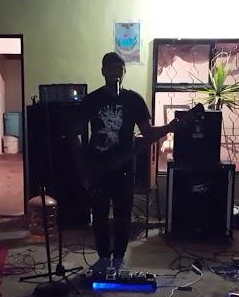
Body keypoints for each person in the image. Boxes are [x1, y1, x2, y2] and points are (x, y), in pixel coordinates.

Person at [70, 52, 183, 272]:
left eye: (119, 69)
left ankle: (119, 257)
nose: (115, 73)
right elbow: (75, 133)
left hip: (124, 167)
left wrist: (169, 128)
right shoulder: (92, 100)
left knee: (123, 215)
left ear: (124, 72)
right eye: (111, 68)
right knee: (100, 215)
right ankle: (104, 257)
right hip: (97, 167)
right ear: (103, 71)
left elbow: (148, 133)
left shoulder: (134, 100)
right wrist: (82, 167)